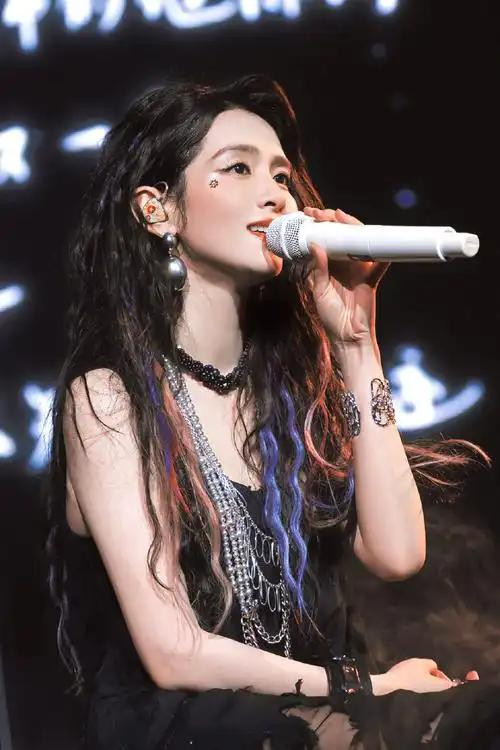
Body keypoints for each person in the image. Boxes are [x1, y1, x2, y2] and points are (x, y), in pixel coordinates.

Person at [45, 74, 483, 750]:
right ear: (157, 211)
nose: (276, 193)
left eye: (280, 175)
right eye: (238, 169)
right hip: (192, 724)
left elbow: (398, 554)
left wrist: (356, 344)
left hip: (331, 706)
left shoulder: (293, 388)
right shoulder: (109, 398)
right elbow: (175, 653)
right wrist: (370, 688)